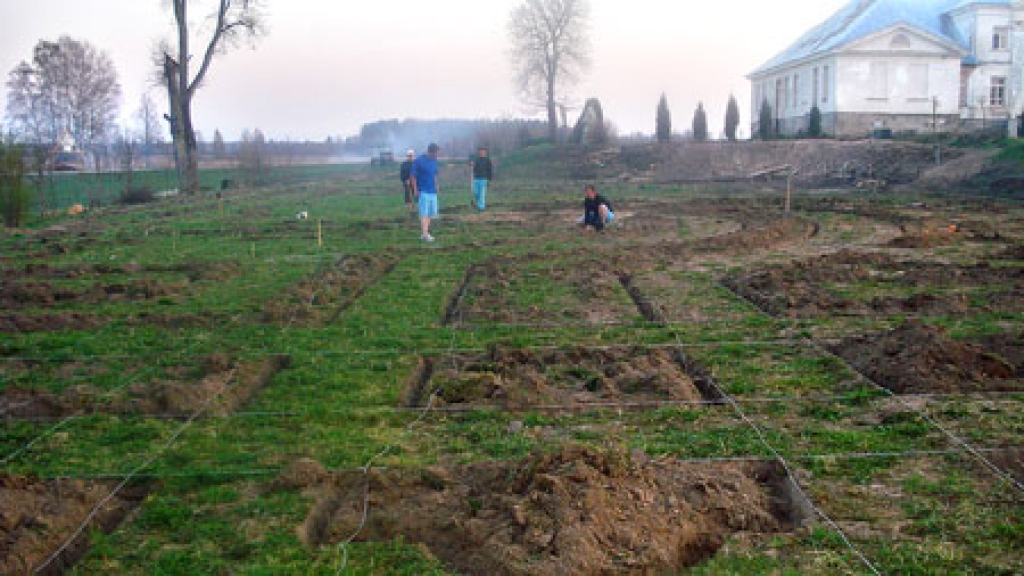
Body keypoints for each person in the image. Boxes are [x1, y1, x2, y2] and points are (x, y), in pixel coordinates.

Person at [410, 143, 441, 242]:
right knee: (424, 213)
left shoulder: (435, 161)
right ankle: (425, 234)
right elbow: (413, 176)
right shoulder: (419, 161)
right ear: (431, 152)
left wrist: (436, 185)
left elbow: (434, 174)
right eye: (436, 153)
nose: (437, 155)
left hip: (432, 191)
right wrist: (415, 190)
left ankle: (425, 233)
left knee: (431, 214)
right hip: (423, 191)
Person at [470, 147, 493, 211]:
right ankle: (479, 204)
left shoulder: (488, 160)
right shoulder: (476, 160)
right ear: (479, 152)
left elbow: (490, 170)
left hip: (484, 179)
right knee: (476, 193)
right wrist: (471, 165)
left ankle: (481, 208)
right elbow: (472, 167)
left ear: (485, 152)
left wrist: (489, 180)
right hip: (476, 179)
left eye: (483, 152)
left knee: (482, 194)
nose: (481, 153)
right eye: (480, 152)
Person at [399, 149, 416, 215]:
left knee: (415, 195)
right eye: (409, 156)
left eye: (411, 156)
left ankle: (415, 208)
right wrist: (405, 180)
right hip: (407, 183)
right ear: (407, 156)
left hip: (415, 182)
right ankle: (409, 210)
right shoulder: (404, 164)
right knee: (408, 196)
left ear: (413, 156)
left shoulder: (416, 163)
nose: (410, 157)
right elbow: (402, 174)